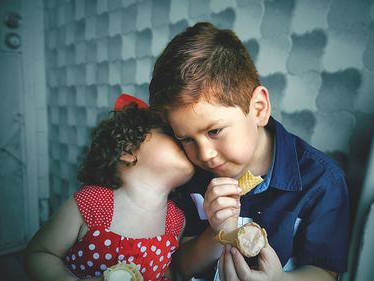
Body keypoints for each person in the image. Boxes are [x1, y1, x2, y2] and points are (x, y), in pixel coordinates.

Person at [148, 22, 350, 281]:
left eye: (214, 131)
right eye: (186, 138)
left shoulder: (322, 181)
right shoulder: (189, 175)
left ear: (258, 108)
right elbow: (181, 268)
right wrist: (215, 232)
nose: (205, 154)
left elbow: (325, 273)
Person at [25, 95, 195, 281]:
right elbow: (40, 253)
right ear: (128, 150)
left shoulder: (176, 221)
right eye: (169, 134)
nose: (185, 143)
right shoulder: (92, 202)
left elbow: (166, 274)